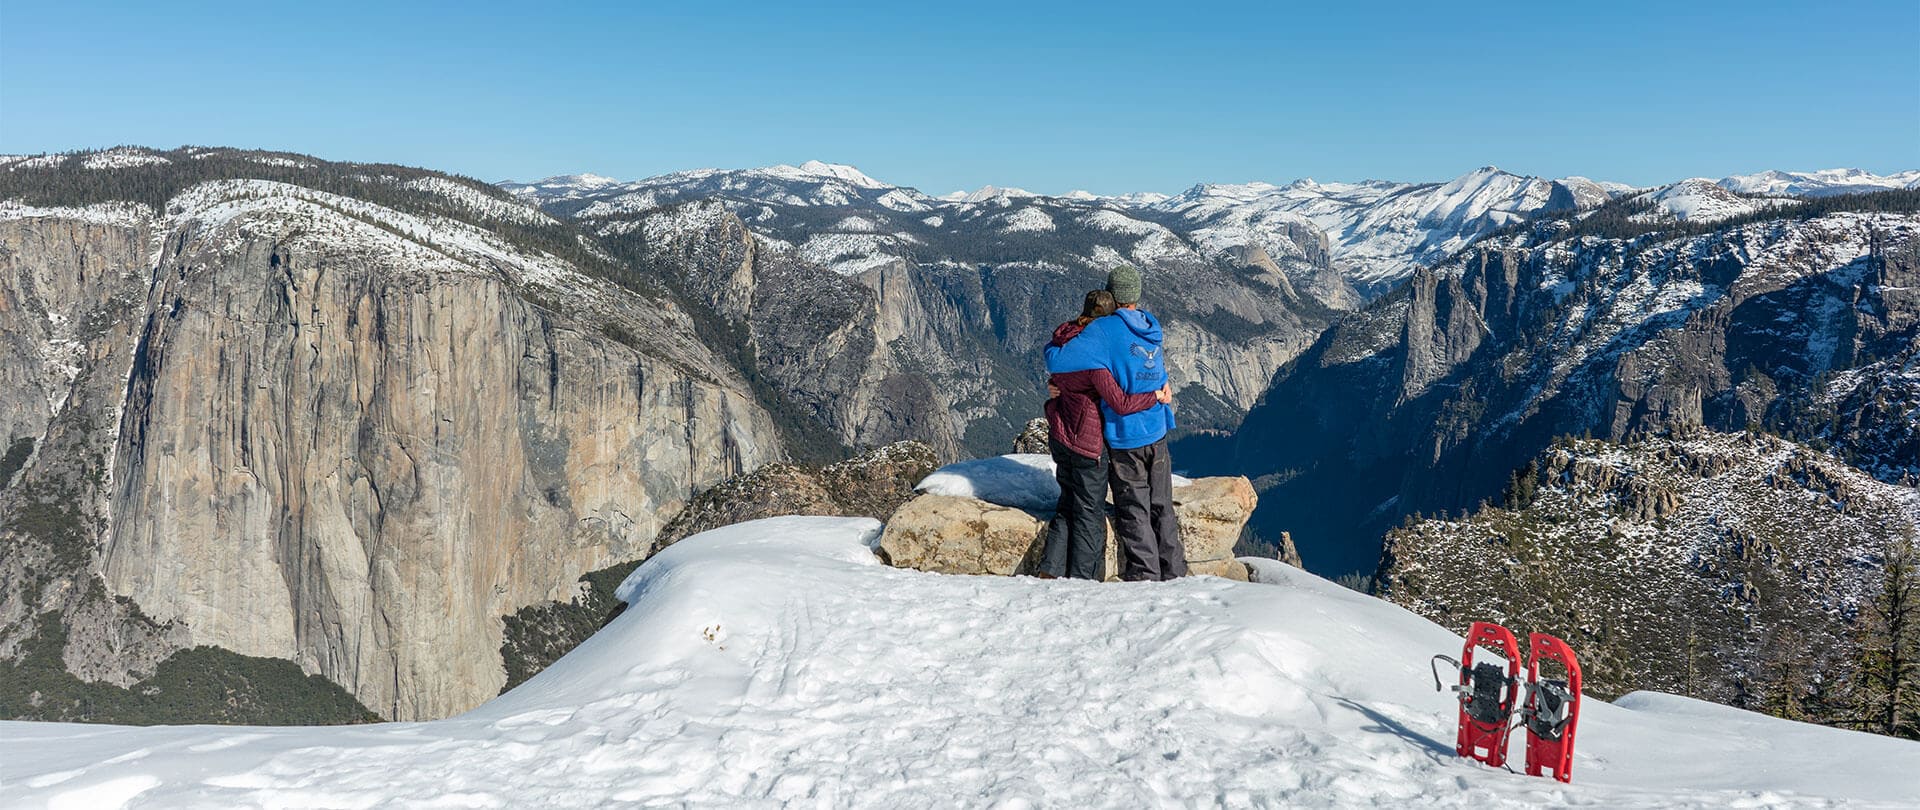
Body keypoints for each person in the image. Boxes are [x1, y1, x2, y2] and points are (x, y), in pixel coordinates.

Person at [1045, 266, 1184, 581]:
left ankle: (1146, 576)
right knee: (1162, 504)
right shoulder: (1150, 325)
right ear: (1135, 296)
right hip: (1158, 428)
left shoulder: (1104, 329)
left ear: (1111, 293)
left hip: (1126, 437)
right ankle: (1175, 575)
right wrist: (1159, 396)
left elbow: (1057, 360)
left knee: (1134, 508)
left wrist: (1057, 379)